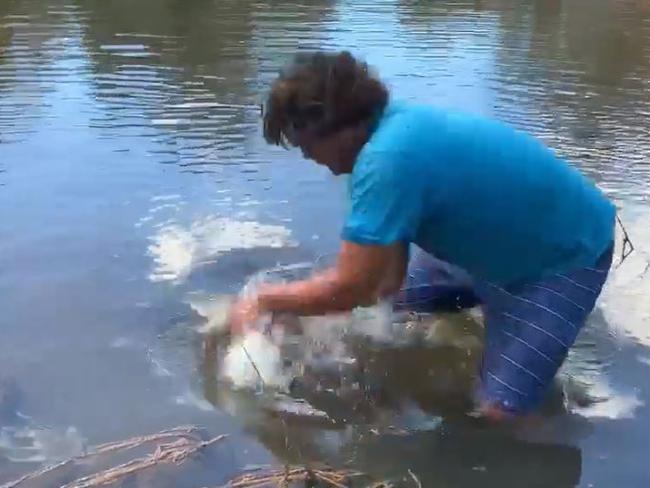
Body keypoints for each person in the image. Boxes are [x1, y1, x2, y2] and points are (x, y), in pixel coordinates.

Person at [226, 50, 616, 419]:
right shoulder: (381, 138)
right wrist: (319, 309)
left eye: (306, 145)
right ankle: (487, 317)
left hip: (558, 259)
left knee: (501, 414)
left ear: (338, 129)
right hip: (481, 247)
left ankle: (542, 431)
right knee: (393, 305)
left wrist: (264, 301)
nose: (307, 156)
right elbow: (383, 282)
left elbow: (352, 287)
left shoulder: (387, 161)